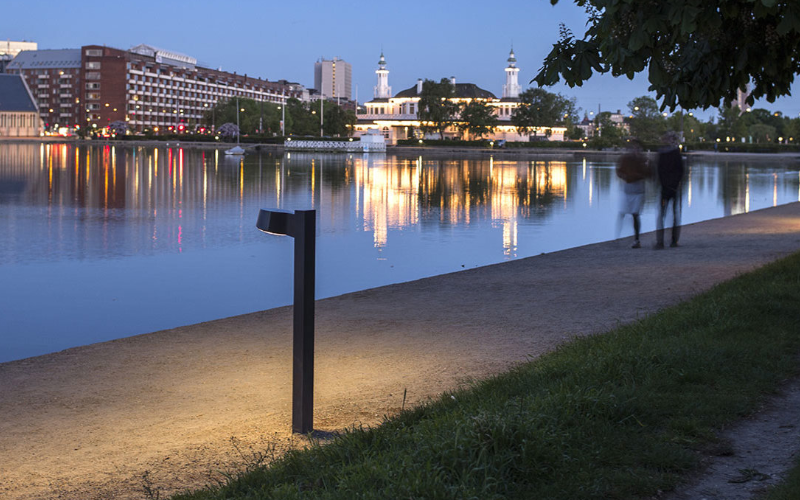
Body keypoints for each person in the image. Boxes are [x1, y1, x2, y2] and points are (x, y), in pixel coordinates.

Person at [615, 139, 651, 248]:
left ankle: (636, 239)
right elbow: (619, 170)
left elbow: (649, 173)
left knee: (635, 214)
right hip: (628, 189)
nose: (635, 150)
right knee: (622, 213)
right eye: (633, 148)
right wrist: (624, 176)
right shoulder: (626, 159)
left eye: (637, 148)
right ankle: (618, 237)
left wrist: (640, 173)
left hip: (638, 190)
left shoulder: (643, 160)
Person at [655, 131, 685, 248]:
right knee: (666, 214)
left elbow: (679, 171)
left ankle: (671, 240)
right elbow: (660, 171)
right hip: (667, 187)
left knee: (671, 214)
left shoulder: (669, 154)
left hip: (671, 187)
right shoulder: (665, 153)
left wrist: (673, 184)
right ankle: (663, 241)